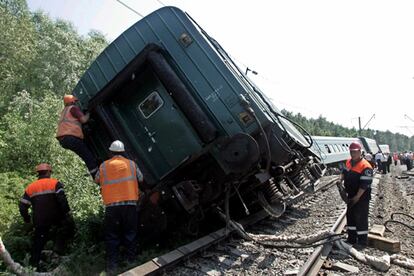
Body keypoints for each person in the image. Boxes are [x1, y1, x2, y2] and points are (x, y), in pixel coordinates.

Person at [94, 140, 143, 273]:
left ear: (110, 152)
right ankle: (130, 261)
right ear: (123, 151)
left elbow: (96, 180)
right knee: (130, 233)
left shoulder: (104, 166)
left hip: (112, 206)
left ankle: (112, 266)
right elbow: (141, 178)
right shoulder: (131, 164)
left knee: (112, 235)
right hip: (130, 205)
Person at [19, 163, 74, 270]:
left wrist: (27, 219)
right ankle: (58, 253)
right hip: (57, 218)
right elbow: (62, 201)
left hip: (40, 220)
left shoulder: (31, 187)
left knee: (38, 242)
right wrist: (67, 214)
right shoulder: (55, 183)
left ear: (38, 174)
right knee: (67, 229)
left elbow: (22, 206)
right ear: (49, 172)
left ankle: (33, 266)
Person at [339, 142, 373, 248]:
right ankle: (352, 238)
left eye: (354, 152)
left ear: (360, 152)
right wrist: (340, 180)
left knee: (361, 217)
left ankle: (362, 241)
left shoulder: (366, 166)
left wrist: (357, 197)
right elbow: (344, 172)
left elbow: (364, 185)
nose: (352, 154)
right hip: (351, 195)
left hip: (361, 196)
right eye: (351, 152)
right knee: (351, 216)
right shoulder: (349, 162)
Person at [56, 95, 98, 177]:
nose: (76, 103)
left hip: (63, 140)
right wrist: (89, 113)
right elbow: (84, 120)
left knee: (84, 154)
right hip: (70, 138)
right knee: (87, 154)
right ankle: (96, 173)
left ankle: (93, 171)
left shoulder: (64, 111)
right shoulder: (73, 108)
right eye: (75, 101)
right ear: (72, 102)